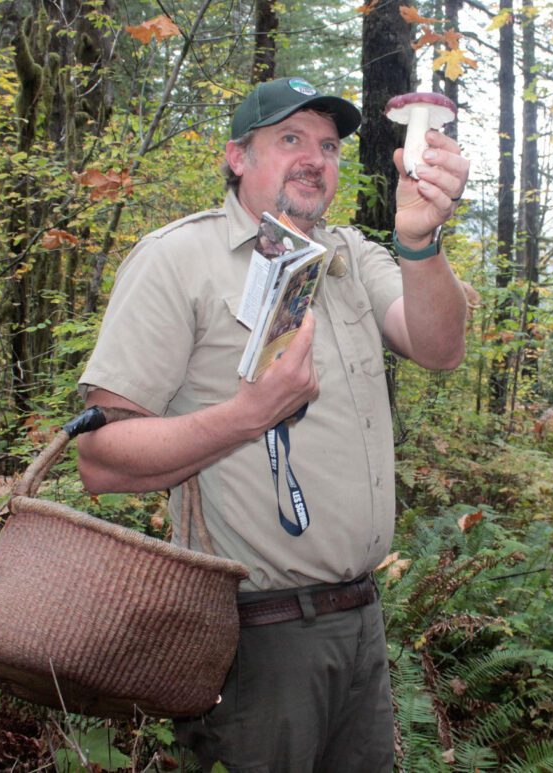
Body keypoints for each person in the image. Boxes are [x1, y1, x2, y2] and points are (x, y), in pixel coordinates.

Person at [75, 76, 470, 771]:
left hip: (362, 623)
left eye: (328, 145)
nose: (315, 158)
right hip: (254, 642)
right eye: (289, 138)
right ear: (236, 156)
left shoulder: (350, 256)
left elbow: (439, 346)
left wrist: (421, 239)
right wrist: (245, 417)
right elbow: (100, 460)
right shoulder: (178, 260)